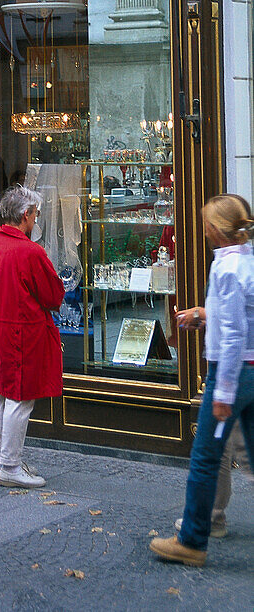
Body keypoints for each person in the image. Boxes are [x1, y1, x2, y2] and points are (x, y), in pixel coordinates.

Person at [150, 193, 254, 566]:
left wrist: (223, 391)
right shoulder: (247, 262)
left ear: (214, 230)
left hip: (231, 373)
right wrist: (205, 315)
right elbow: (241, 318)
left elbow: (232, 335)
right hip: (251, 370)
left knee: (206, 458)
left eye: (206, 224)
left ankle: (192, 540)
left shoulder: (225, 268)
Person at [0, 185, 64, 489]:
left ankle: (10, 459)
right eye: (34, 214)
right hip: (24, 331)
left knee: (4, 394)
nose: (35, 220)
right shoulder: (30, 251)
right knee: (20, 398)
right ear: (25, 214)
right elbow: (53, 295)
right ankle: (9, 465)